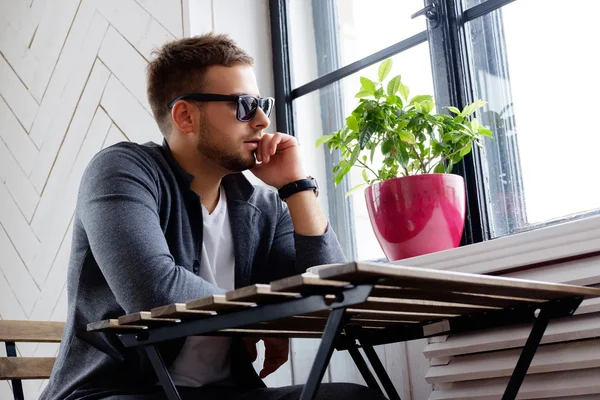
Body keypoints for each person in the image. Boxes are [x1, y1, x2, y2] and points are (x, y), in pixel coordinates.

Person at [40, 34, 386, 400]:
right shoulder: (121, 171)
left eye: (261, 103)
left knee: (352, 397)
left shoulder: (263, 205)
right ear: (186, 116)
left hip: (227, 392)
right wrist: (264, 317)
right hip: (113, 392)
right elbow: (154, 290)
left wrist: (297, 186)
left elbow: (332, 297)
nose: (262, 120)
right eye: (244, 105)